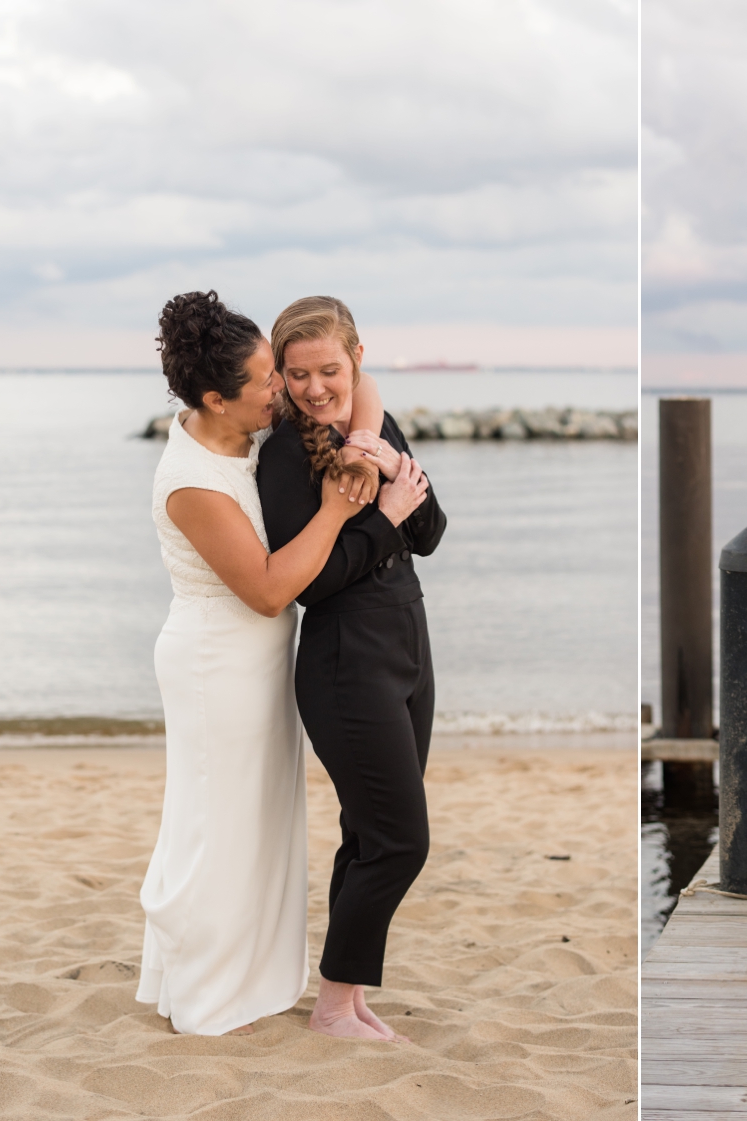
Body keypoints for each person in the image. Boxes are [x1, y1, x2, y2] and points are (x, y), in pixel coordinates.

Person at [138, 290, 378, 1036]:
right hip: (216, 665)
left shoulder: (243, 431)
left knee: (260, 821)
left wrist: (360, 443)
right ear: (215, 397)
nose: (284, 390)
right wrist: (338, 509)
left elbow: (362, 383)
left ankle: (255, 979)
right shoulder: (192, 483)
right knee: (218, 826)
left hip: (260, 664)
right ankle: (209, 993)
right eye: (267, 382)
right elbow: (271, 590)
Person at [257, 296, 447, 1039]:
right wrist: (385, 514)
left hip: (408, 642)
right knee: (402, 839)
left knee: (370, 834)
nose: (314, 387)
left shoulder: (374, 427)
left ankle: (349, 998)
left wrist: (394, 467)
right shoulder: (282, 454)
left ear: (356, 358)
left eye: (328, 369)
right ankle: (334, 1003)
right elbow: (312, 581)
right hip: (345, 658)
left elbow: (431, 529)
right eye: (297, 373)